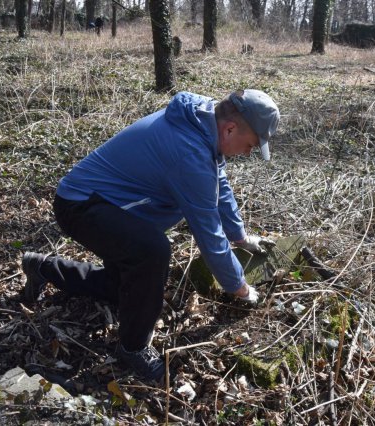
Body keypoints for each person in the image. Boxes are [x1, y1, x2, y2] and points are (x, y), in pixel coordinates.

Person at [21, 90, 280, 382]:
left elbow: (219, 187)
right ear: (231, 129)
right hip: (81, 206)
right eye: (251, 145)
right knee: (152, 251)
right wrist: (240, 288)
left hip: (108, 204)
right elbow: (209, 234)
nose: (248, 153)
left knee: (126, 288)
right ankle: (133, 347)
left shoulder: (204, 121)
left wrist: (241, 237)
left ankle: (41, 267)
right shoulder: (189, 152)